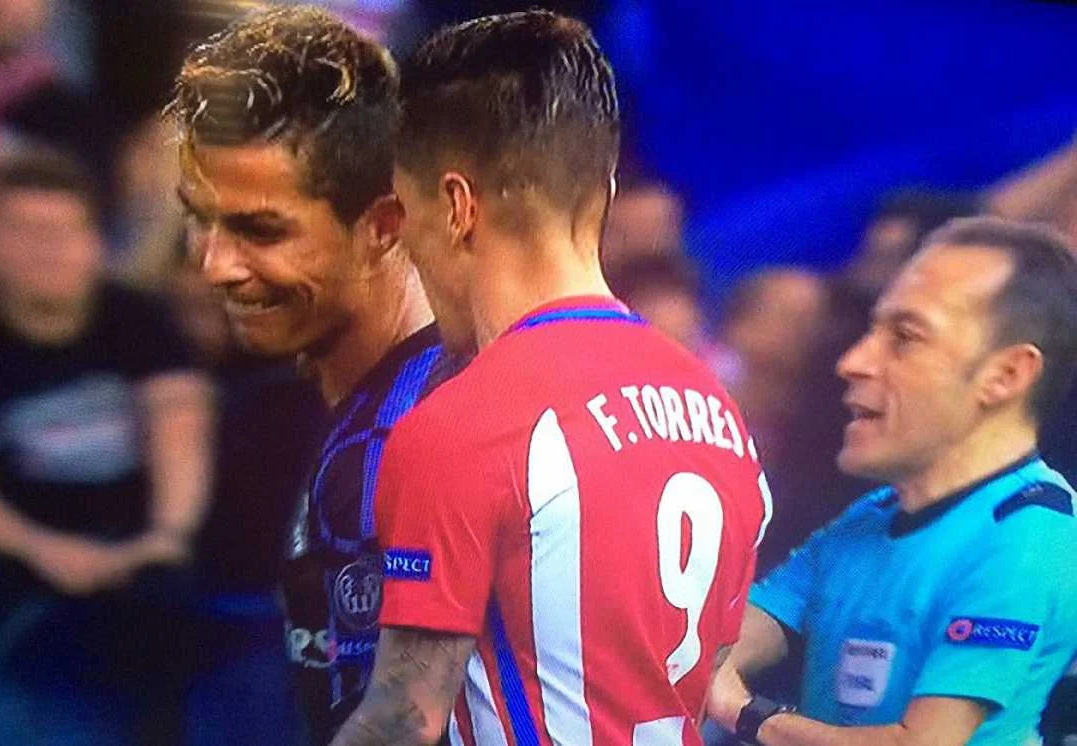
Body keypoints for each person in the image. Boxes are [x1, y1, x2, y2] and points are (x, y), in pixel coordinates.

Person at [332, 11, 770, 745]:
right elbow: (707, 675)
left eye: (405, 215)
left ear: (456, 207)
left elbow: (404, 717)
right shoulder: (718, 411)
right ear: (604, 190)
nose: (404, 250)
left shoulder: (462, 426)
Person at [169, 6, 449, 743]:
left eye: (259, 230)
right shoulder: (347, 412)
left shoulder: (417, 439)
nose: (213, 266)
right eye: (199, 219)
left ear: (384, 226)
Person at [0, 148, 213, 741]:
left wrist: (166, 535)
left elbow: (180, 432)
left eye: (64, 231)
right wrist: (48, 550)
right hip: (10, 541)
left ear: (95, 240)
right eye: (26, 232)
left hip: (143, 530)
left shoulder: (141, 320)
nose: (48, 250)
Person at [706, 216, 1077, 746]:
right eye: (872, 332)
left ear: (1007, 375)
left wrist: (749, 715)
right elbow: (724, 641)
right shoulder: (875, 513)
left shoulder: (1031, 534)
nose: (853, 361)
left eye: (904, 337)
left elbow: (922, 743)